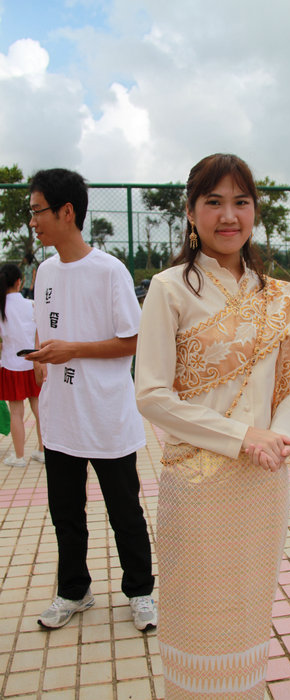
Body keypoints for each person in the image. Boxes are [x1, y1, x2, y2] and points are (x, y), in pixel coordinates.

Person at [135, 153, 290, 699]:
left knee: (248, 607)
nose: (228, 215)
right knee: (197, 612)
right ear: (191, 211)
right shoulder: (170, 288)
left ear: (254, 211)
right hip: (197, 484)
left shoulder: (275, 295)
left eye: (241, 202)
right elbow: (151, 395)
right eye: (213, 201)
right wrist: (244, 437)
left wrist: (278, 439)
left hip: (263, 479)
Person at [26, 168, 157, 631]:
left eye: (38, 211)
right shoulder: (44, 271)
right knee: (65, 513)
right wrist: (42, 354)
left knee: (125, 511)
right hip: (61, 417)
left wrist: (73, 350)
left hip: (105, 416)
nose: (33, 222)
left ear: (67, 212)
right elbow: (46, 326)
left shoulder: (109, 270)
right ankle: (74, 590)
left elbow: (133, 340)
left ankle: (140, 591)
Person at [0, 263, 43, 467]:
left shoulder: (2, 308)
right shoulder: (31, 305)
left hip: (11, 366)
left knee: (16, 413)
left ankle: (19, 457)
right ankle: (43, 451)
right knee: (39, 409)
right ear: (19, 281)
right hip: (33, 363)